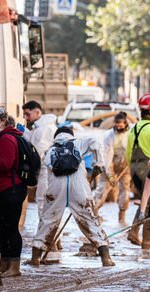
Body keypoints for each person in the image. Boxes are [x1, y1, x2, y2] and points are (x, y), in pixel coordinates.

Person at [30, 125, 115, 268]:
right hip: (79, 187)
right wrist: (98, 163)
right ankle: (106, 258)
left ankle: (35, 258)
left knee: (48, 220)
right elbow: (96, 143)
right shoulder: (78, 142)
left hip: (56, 188)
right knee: (90, 220)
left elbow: (46, 172)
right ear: (71, 135)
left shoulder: (49, 150)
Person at [0, 107, 27, 277]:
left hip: (10, 190)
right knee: (0, 227)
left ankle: (14, 266)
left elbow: (5, 164)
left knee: (10, 228)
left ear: (3, 121)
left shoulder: (7, 138)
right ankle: (5, 262)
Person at [124, 93, 150, 242]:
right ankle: (148, 242)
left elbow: (128, 153)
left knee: (145, 201)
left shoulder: (133, 129)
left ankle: (135, 232)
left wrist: (132, 169)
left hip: (134, 169)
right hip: (148, 169)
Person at [22, 100, 58, 235]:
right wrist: (24, 132)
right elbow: (33, 140)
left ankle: (46, 236)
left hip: (46, 172)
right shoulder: (41, 128)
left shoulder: (44, 129)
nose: (26, 117)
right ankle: (52, 237)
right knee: (48, 204)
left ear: (37, 112)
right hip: (46, 172)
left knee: (43, 203)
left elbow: (37, 151)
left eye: (27, 114)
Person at [100, 112, 133, 220]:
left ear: (125, 123)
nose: (119, 126)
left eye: (121, 124)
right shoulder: (109, 136)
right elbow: (107, 156)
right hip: (111, 164)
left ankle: (121, 216)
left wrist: (130, 162)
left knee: (125, 190)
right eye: (117, 124)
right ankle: (94, 212)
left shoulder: (131, 133)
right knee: (102, 189)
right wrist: (110, 174)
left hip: (126, 166)